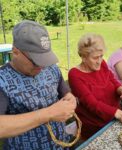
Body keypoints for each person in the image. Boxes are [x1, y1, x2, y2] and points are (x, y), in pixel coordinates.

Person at [0, 20, 77, 150]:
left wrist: (71, 99)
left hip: (60, 145)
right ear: (15, 52)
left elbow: (65, 92)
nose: (42, 66)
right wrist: (48, 113)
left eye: (45, 59)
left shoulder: (51, 68)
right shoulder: (2, 80)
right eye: (35, 61)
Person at [68, 33, 122, 140]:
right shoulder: (75, 75)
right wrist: (120, 114)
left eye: (101, 56)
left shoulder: (102, 64)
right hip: (96, 128)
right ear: (83, 57)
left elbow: (113, 82)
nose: (99, 61)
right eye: (95, 58)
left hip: (115, 119)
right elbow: (91, 104)